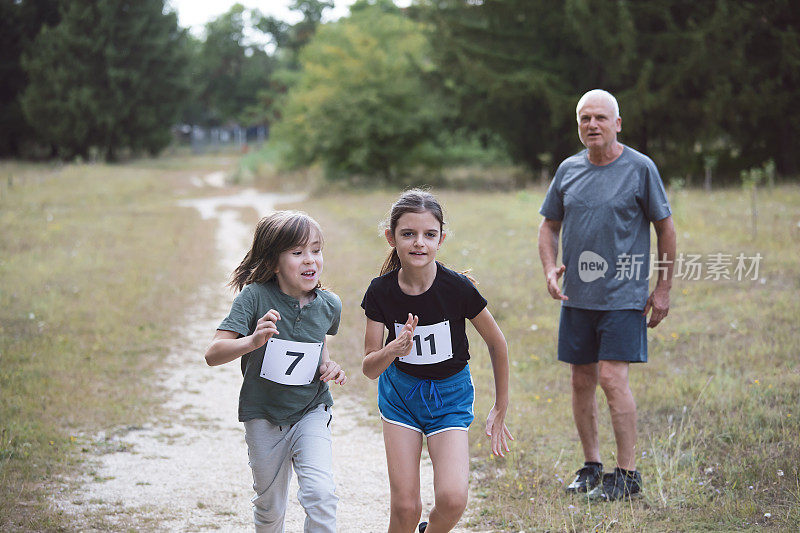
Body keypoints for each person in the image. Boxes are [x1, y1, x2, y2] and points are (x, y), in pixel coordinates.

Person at [537, 89, 676, 501]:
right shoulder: (568, 170)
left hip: (623, 295)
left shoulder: (640, 168)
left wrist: (664, 287)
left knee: (612, 379)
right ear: (578, 125)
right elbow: (549, 226)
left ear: (617, 123)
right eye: (584, 118)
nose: (592, 125)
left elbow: (665, 228)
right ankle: (593, 466)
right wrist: (550, 267)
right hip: (577, 297)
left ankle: (628, 474)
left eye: (600, 117)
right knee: (581, 380)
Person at [361, 189, 513, 533]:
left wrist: (500, 405)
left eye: (429, 234)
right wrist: (392, 350)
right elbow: (369, 368)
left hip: (450, 397)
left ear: (441, 238)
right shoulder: (380, 291)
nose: (419, 243)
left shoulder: (457, 288)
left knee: (453, 499)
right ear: (391, 237)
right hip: (400, 396)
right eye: (408, 234)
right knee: (405, 506)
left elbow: (497, 343)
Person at [204, 211, 347, 532]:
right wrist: (253, 340)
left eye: (316, 250)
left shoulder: (330, 304)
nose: (310, 260)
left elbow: (317, 340)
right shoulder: (254, 297)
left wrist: (328, 365)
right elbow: (213, 354)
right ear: (273, 262)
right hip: (263, 414)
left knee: (321, 494)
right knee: (270, 506)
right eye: (297, 253)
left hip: (312, 408)